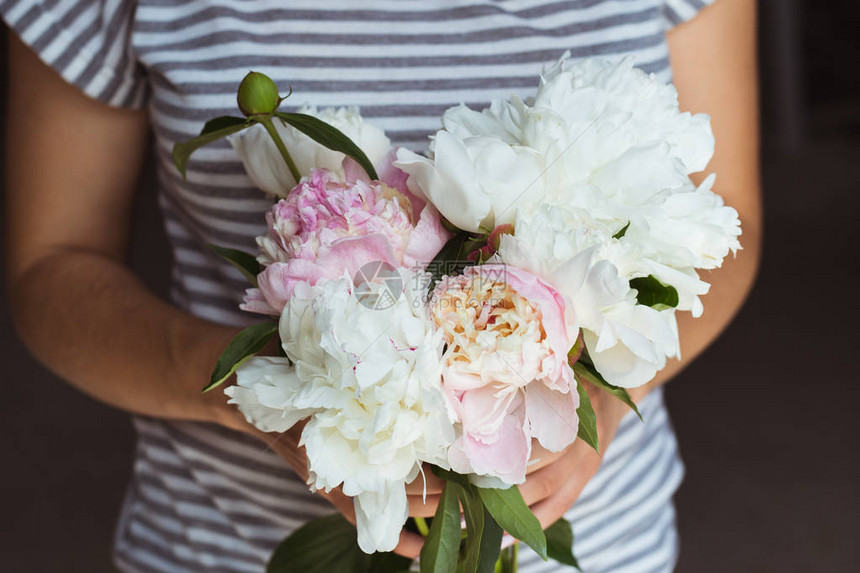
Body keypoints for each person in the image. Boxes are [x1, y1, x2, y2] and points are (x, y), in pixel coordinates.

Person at [3, 0, 760, 571]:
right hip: (221, 541)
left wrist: (596, 394)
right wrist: (266, 394)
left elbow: (730, 227)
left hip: (599, 545)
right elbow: (51, 267)